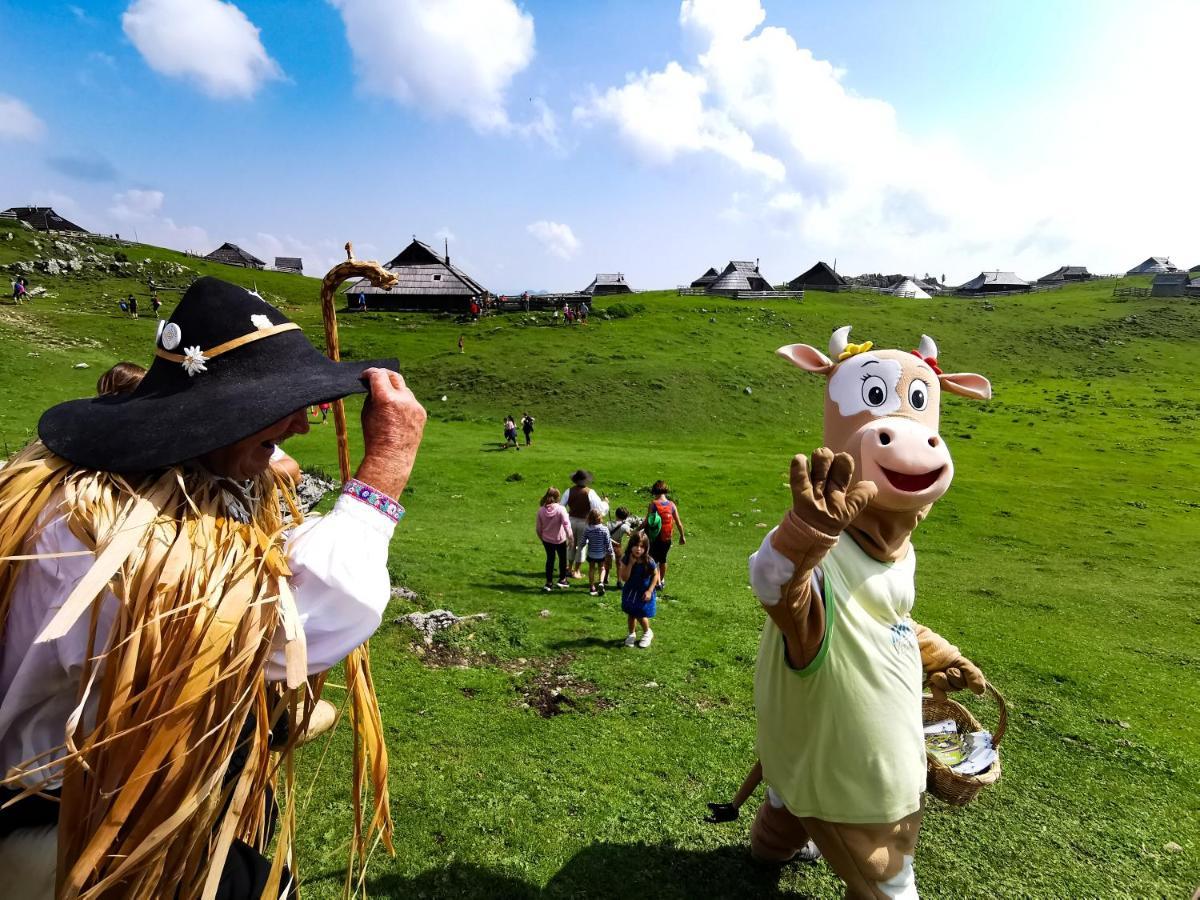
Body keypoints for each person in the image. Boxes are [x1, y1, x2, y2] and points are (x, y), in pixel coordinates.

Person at [0, 276, 426, 898]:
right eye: (281, 404)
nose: (304, 427)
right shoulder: (109, 537)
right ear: (218, 415)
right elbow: (296, 627)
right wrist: (383, 473)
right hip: (86, 835)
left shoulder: (81, 490)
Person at [560, 469, 608, 578]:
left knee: (571, 545)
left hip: (571, 520)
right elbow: (600, 510)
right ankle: (576, 571)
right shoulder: (590, 492)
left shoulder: (569, 491)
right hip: (584, 522)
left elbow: (561, 506)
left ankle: (570, 567)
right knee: (581, 546)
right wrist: (605, 503)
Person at [618, 531, 658, 648]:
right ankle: (631, 634)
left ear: (646, 548)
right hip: (631, 591)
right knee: (631, 613)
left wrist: (650, 590)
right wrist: (630, 564)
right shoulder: (626, 559)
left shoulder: (649, 561)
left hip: (643, 592)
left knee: (640, 614)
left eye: (642, 547)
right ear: (631, 546)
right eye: (636, 545)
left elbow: (656, 575)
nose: (638, 549)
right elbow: (624, 578)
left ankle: (647, 632)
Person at [646, 480, 686, 591]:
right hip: (667, 538)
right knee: (663, 559)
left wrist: (637, 531)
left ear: (655, 491)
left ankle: (655, 580)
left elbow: (647, 521)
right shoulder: (671, 504)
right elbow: (678, 522)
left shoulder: (653, 504)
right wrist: (682, 536)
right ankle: (661, 581)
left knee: (653, 559)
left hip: (655, 537)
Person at [536, 487, 571, 592]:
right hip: (560, 539)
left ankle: (549, 582)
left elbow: (538, 528)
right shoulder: (561, 509)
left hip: (547, 540)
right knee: (563, 559)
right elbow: (566, 524)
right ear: (557, 497)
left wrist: (542, 538)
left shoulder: (541, 510)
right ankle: (562, 579)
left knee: (550, 560)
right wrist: (571, 537)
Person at [583, 508, 614, 596]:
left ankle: (592, 586)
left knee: (591, 568)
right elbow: (608, 542)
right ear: (600, 517)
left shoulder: (588, 529)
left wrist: (580, 546)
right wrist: (610, 552)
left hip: (591, 553)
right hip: (601, 553)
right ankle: (601, 582)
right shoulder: (604, 529)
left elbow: (583, 541)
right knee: (602, 568)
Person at [604, 506, 633, 588]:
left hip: (608, 546)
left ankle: (605, 577)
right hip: (618, 546)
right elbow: (630, 534)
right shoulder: (624, 526)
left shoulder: (608, 524)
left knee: (607, 563)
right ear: (626, 517)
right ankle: (619, 581)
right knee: (619, 564)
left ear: (616, 514)